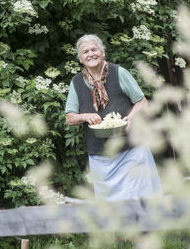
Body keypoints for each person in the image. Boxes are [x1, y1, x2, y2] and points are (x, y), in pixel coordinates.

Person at [65, 34, 162, 201]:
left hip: (132, 149)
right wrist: (84, 116)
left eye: (94, 49)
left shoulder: (119, 73)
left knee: (142, 200)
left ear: (102, 53)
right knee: (111, 208)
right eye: (85, 52)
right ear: (81, 58)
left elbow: (141, 102)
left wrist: (131, 117)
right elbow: (70, 118)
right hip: (100, 156)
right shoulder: (76, 83)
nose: (91, 54)